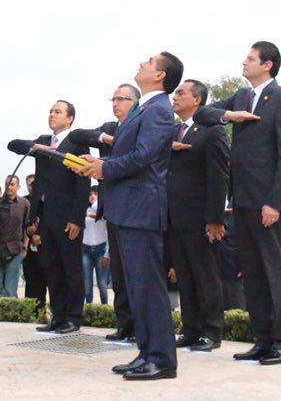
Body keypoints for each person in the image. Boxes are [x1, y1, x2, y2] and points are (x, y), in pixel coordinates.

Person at [194, 41, 281, 366]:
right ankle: (262, 339)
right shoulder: (242, 97)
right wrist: (229, 114)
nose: (244, 62)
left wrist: (275, 201)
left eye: (251, 58)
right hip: (240, 199)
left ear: (267, 64)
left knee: (274, 272)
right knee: (252, 273)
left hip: (266, 202)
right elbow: (203, 112)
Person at [77, 52, 181, 381]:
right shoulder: (143, 108)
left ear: (160, 75)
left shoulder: (161, 109)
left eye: (150, 61)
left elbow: (145, 156)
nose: (142, 63)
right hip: (127, 208)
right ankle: (147, 352)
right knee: (137, 286)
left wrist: (105, 168)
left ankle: (162, 359)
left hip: (142, 208)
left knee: (149, 286)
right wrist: (96, 165)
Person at [8, 100, 91, 334]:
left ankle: (73, 318)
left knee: (71, 269)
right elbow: (13, 145)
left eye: (58, 112)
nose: (52, 115)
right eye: (50, 111)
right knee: (52, 268)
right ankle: (58, 316)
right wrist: (36, 148)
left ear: (70, 118)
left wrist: (77, 219)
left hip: (67, 218)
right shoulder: (44, 142)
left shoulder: (76, 141)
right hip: (44, 218)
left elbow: (83, 183)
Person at [68, 82, 141, 342]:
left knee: (134, 272)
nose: (116, 103)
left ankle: (138, 327)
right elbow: (78, 135)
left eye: (122, 99)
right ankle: (124, 325)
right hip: (111, 208)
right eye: (114, 98)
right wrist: (106, 139)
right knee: (118, 274)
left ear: (135, 103)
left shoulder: (140, 126)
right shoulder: (111, 128)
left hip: (134, 208)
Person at [165, 78, 228, 351]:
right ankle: (190, 329)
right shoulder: (173, 132)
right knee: (185, 275)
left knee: (205, 276)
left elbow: (219, 177)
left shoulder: (211, 131)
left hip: (200, 217)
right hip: (174, 216)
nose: (175, 97)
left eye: (181, 93)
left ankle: (212, 332)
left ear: (197, 100)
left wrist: (214, 218)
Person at [0, 174, 30, 298]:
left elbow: (27, 227)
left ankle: (9, 314)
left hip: (16, 249)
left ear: (18, 187)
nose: (8, 187)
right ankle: (2, 309)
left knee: (10, 289)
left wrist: (25, 248)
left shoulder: (24, 203)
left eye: (11, 184)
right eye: (6, 184)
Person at [21, 173, 47, 309]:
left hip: (46, 247)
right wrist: (29, 232)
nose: (33, 187)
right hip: (29, 249)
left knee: (47, 280)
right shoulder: (24, 201)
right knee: (31, 281)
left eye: (35, 183)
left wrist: (40, 233)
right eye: (30, 184)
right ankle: (31, 311)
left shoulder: (47, 200)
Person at [81, 188, 108, 305]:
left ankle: (104, 306)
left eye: (95, 194)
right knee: (87, 282)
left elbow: (101, 218)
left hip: (100, 249)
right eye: (90, 194)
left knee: (102, 283)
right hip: (86, 249)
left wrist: (107, 253)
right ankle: (89, 307)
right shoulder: (83, 209)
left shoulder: (103, 210)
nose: (92, 196)